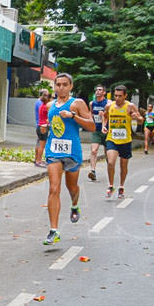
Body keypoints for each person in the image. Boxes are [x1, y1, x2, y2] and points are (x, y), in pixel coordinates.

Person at [43, 73, 94, 245]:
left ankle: (74, 204)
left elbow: (92, 126)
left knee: (71, 187)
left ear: (71, 86)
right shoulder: (50, 105)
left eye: (65, 85)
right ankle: (54, 230)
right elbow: (52, 127)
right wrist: (44, 129)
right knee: (54, 188)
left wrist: (73, 116)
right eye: (58, 85)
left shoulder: (77, 103)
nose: (61, 88)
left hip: (72, 152)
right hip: (53, 151)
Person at [101, 85, 142, 199]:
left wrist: (136, 118)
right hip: (112, 138)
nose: (117, 98)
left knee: (123, 166)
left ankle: (121, 186)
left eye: (120, 96)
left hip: (125, 140)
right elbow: (105, 116)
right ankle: (110, 185)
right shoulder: (109, 106)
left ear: (125, 95)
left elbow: (141, 120)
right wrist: (104, 126)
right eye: (116, 96)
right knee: (110, 162)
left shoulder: (130, 106)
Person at [86, 85, 108, 181]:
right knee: (94, 151)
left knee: (108, 154)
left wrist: (104, 115)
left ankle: (110, 170)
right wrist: (91, 123)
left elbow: (110, 115)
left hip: (107, 131)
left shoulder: (108, 103)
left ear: (104, 92)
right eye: (96, 90)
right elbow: (90, 113)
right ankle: (93, 171)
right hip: (96, 130)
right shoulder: (92, 103)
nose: (97, 91)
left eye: (100, 90)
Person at [34, 88, 51, 168]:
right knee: (42, 144)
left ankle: (37, 159)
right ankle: (38, 160)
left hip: (39, 125)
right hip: (43, 126)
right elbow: (48, 117)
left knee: (38, 143)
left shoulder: (40, 105)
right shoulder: (45, 106)